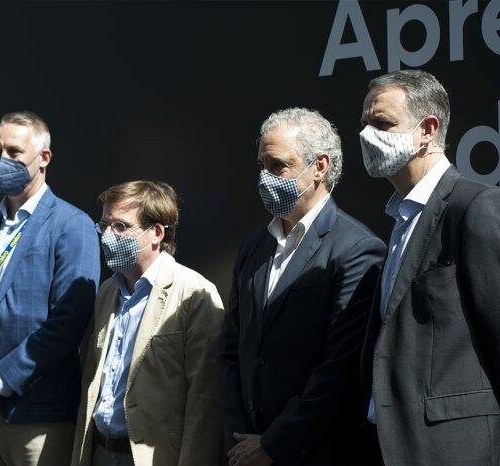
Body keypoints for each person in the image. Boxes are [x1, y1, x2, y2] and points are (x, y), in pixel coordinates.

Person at [218, 108, 386, 466]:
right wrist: (240, 439)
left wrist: (272, 446)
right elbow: (232, 350)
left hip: (315, 453)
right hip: (243, 451)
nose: (265, 178)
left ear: (319, 167)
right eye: (262, 165)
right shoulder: (253, 246)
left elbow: (340, 370)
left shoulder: (356, 249)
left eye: (278, 166)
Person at [0, 111, 100, 466]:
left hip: (37, 416)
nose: (3, 161)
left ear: (44, 158)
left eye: (14, 152)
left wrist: (1, 382)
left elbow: (68, 322)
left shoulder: (72, 225)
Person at [359, 70, 500, 466]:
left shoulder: (474, 207)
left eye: (382, 123)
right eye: (364, 123)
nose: (367, 135)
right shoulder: (401, 221)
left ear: (427, 130)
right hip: (390, 446)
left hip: (455, 450)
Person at [70, 180, 225, 466]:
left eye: (120, 226)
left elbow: (205, 400)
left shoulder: (194, 294)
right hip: (99, 451)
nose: (107, 236)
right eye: (104, 226)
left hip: (154, 457)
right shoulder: (106, 292)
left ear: (156, 233)